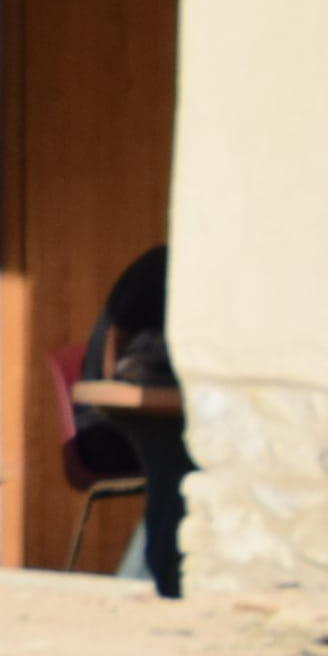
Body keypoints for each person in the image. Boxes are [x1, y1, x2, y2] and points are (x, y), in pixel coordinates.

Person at [84, 242, 189, 598]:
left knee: (180, 472)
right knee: (179, 465)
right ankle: (154, 584)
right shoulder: (165, 265)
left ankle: (142, 583)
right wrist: (116, 388)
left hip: (152, 407)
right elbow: (117, 338)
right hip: (106, 427)